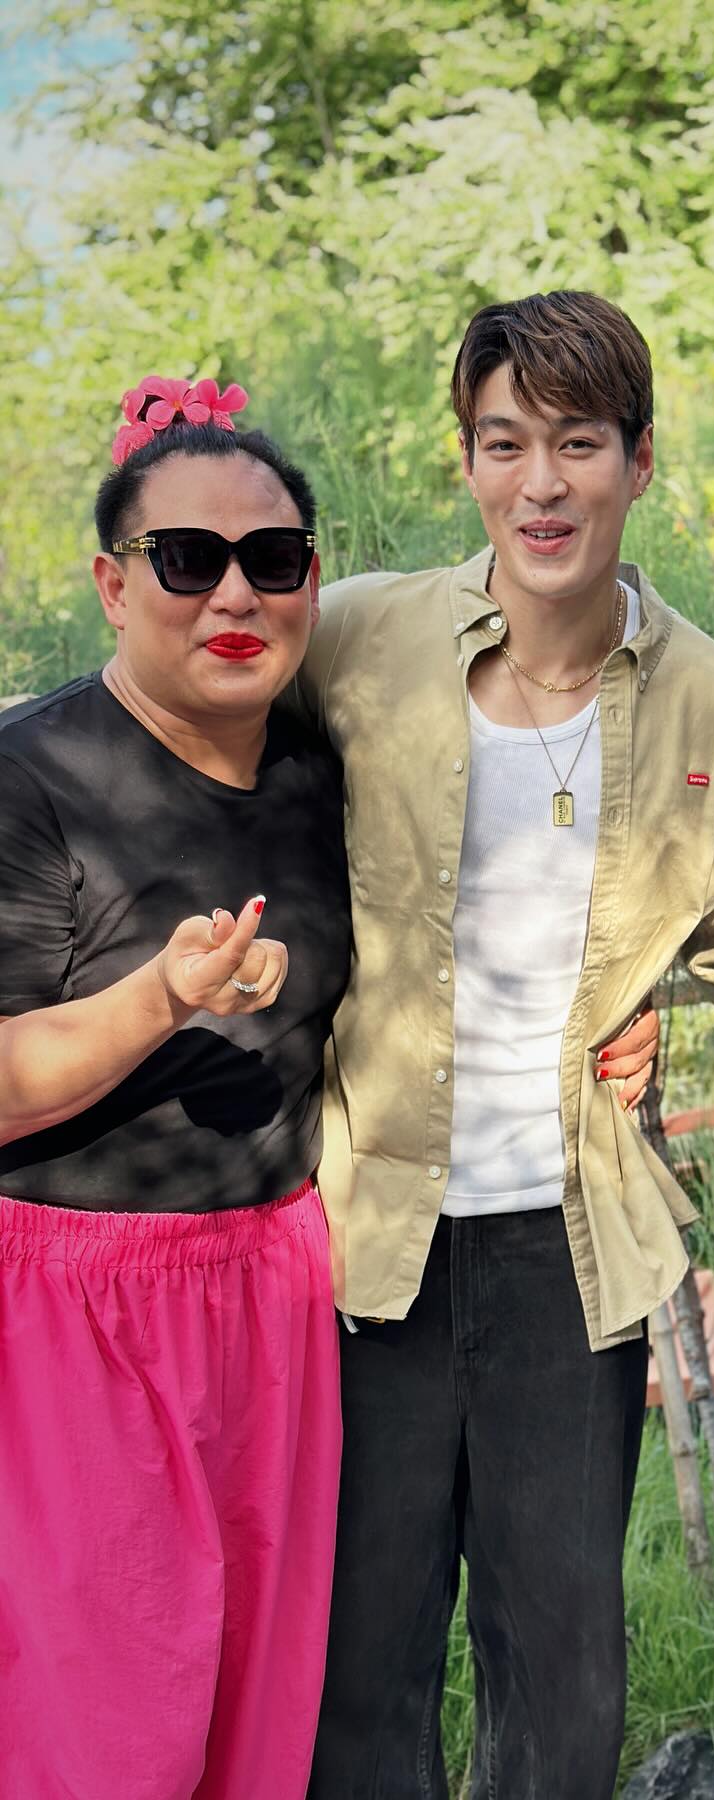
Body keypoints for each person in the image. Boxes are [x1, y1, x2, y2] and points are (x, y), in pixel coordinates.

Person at [301, 290, 714, 1800]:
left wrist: (655, 1014)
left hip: (569, 1246)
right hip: (360, 1234)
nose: (540, 483)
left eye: (578, 443)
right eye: (505, 443)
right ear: (468, 459)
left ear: (640, 459)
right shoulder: (359, 636)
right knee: (356, 1670)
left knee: (561, 1683)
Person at [0, 377, 350, 1799]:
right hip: (73, 1309)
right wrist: (161, 996)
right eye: (188, 559)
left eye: (273, 559)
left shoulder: (321, 771)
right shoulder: (34, 774)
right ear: (113, 583)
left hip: (275, 1291)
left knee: (257, 1726)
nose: (235, 596)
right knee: (103, 1736)